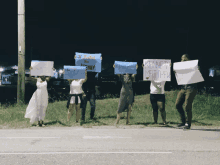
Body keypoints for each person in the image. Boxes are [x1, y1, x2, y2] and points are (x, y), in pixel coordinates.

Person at [175, 54, 198, 130]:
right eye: (181, 59)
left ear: (189, 60)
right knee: (178, 104)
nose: (182, 61)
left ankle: (188, 123)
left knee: (187, 105)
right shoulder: (181, 68)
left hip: (191, 88)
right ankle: (183, 121)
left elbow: (197, 75)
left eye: (184, 59)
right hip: (183, 88)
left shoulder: (194, 67)